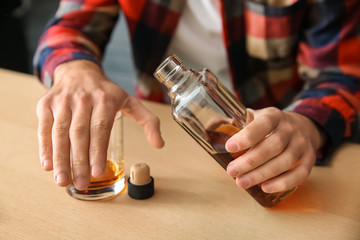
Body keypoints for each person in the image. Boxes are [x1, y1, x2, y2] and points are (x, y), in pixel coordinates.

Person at [34, 0, 360, 193]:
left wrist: (306, 124)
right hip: (163, 129)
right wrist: (75, 72)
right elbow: (69, 27)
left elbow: (343, 72)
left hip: (276, 133)